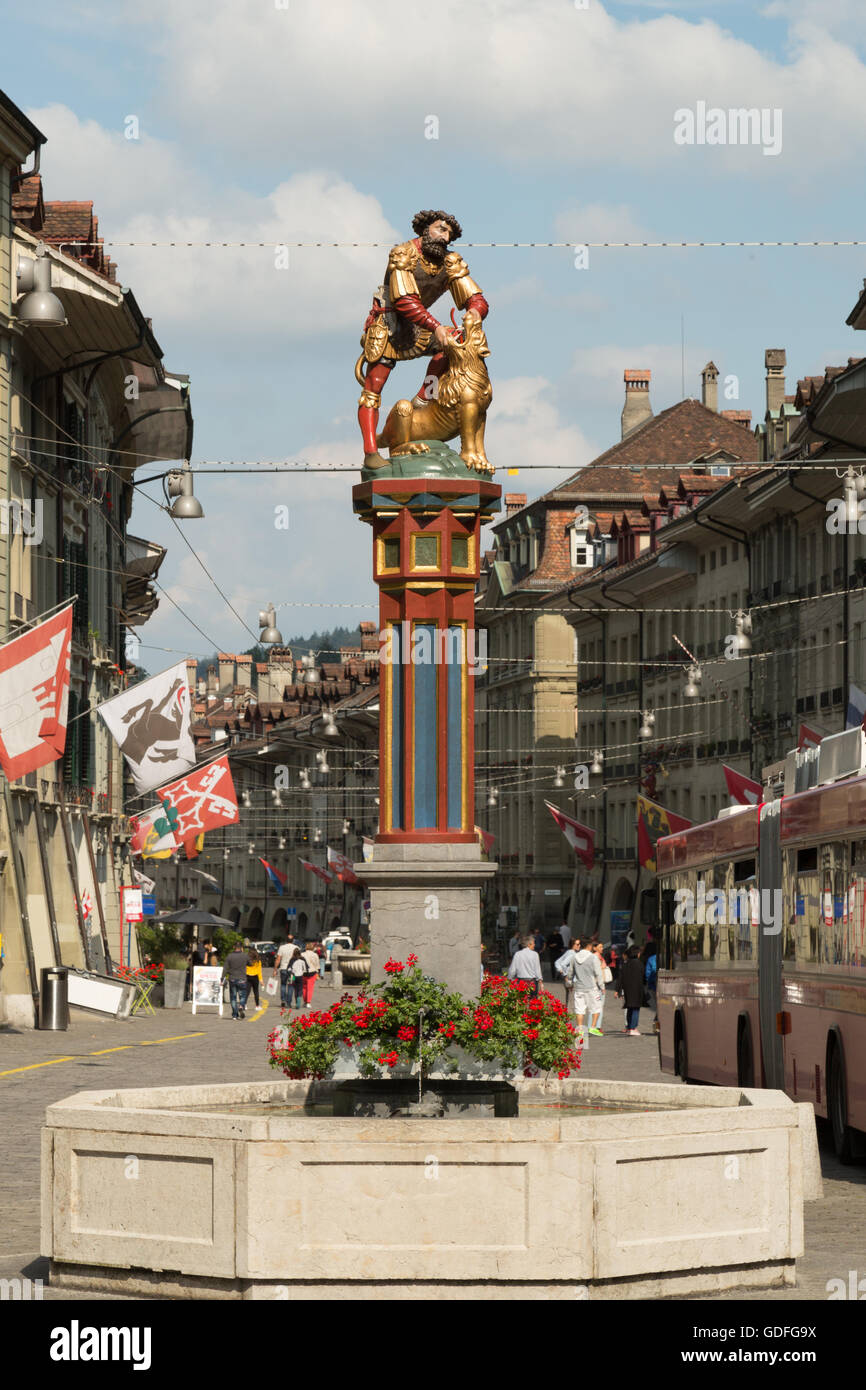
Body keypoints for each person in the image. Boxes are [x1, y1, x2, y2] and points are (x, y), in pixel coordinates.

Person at [356, 209, 488, 470]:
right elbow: (405, 301)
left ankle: (425, 395)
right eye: (440, 229)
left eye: (449, 233)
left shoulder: (450, 262)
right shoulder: (403, 254)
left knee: (453, 344)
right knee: (373, 388)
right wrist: (437, 326)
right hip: (391, 323)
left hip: (422, 325)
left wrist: (474, 310)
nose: (444, 236)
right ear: (425, 229)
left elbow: (477, 299)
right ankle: (371, 452)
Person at [555, 938, 604, 1037]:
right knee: (597, 1007)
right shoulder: (593, 958)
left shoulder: (574, 957)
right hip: (591, 987)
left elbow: (570, 973)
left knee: (579, 1009)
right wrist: (602, 986)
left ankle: (580, 1028)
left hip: (579, 987)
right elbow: (598, 973)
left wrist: (569, 981)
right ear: (589, 946)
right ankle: (593, 1027)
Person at [618, 946, 645, 1035]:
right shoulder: (639, 963)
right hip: (637, 989)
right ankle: (633, 1028)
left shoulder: (626, 964)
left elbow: (621, 978)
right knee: (636, 1008)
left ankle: (629, 1027)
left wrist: (619, 989)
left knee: (629, 1007)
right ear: (637, 954)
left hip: (627, 989)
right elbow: (643, 977)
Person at [224, 942, 249, 1020]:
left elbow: (225, 968)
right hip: (242, 979)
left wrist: (222, 977)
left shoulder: (229, 956)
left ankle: (235, 1015)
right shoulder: (245, 955)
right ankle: (241, 1005)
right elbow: (251, 964)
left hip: (232, 978)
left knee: (233, 997)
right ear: (241, 947)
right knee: (243, 995)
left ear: (234, 947)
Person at [590, 942, 612, 1033]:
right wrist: (602, 967)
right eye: (600, 947)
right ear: (594, 948)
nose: (602, 948)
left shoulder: (599, 956)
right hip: (597, 984)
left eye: (602, 946)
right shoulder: (595, 957)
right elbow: (595, 971)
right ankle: (594, 1026)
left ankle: (596, 1025)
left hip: (600, 983)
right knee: (597, 1006)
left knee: (599, 1005)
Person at [273, 939, 296, 1009]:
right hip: (292, 970)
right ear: (293, 941)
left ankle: (283, 1000)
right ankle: (289, 1002)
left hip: (283, 969)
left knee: (283, 984)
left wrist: (275, 969)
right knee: (291, 985)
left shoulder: (282, 947)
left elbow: (278, 959)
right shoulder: (296, 947)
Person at [301, 941, 320, 1008]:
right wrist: (317, 971)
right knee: (310, 988)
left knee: (304, 987)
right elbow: (317, 964)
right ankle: (308, 1002)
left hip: (303, 972)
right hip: (312, 972)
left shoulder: (302, 954)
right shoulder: (315, 955)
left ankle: (305, 1001)